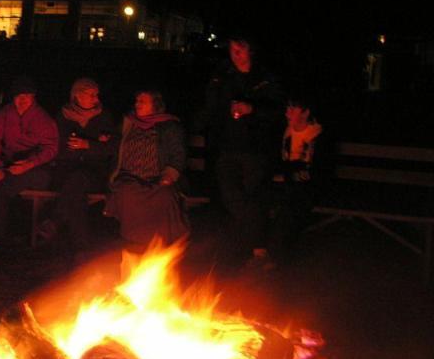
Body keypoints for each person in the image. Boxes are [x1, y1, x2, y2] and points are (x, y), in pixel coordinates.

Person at [195, 35, 285, 271]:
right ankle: (258, 245)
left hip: (256, 149)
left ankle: (256, 251)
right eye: (232, 50)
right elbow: (211, 106)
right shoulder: (222, 76)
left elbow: (278, 110)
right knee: (232, 197)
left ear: (251, 51)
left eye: (241, 50)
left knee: (252, 196)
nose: (236, 55)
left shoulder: (265, 77)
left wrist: (252, 109)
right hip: (225, 146)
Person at [35, 78, 118, 258]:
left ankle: (56, 223)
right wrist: (71, 148)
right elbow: (54, 146)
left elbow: (112, 147)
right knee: (76, 192)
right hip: (66, 170)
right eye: (91, 95)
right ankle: (81, 248)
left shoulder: (104, 116)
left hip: (94, 172)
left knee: (78, 181)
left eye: (96, 95)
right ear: (77, 96)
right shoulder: (63, 116)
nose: (95, 99)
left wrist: (88, 145)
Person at [0, 75, 59, 251]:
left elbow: (51, 149)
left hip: (37, 169)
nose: (22, 100)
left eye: (26, 95)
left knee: (1, 186)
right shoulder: (2, 116)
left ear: (33, 97)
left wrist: (29, 164)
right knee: (0, 183)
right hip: (9, 166)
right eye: (18, 96)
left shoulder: (43, 119)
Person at [105, 90, 189, 249]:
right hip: (129, 176)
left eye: (142, 101)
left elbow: (179, 154)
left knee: (165, 196)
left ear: (155, 105)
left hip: (156, 177)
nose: (137, 104)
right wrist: (107, 139)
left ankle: (161, 243)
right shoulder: (128, 123)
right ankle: (133, 242)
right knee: (126, 193)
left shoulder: (169, 125)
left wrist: (170, 174)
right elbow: (114, 143)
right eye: (136, 101)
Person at [266, 94, 323, 266]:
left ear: (305, 113)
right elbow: (282, 162)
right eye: (287, 107)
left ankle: (280, 259)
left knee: (289, 213)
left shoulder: (316, 136)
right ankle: (268, 253)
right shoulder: (287, 132)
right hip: (288, 186)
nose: (287, 111)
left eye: (293, 108)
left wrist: (291, 175)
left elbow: (318, 171)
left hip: (307, 189)